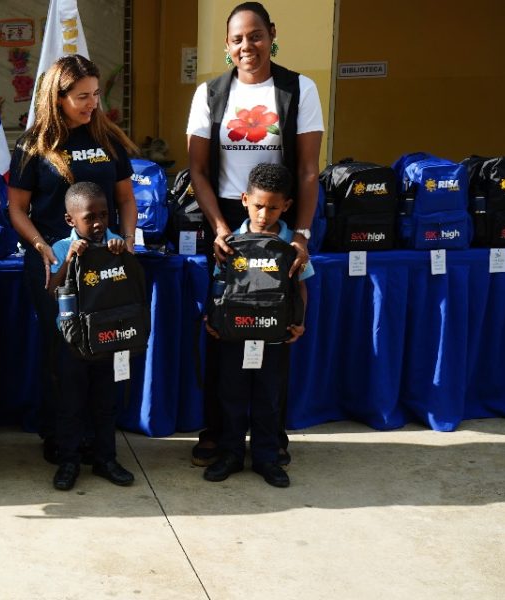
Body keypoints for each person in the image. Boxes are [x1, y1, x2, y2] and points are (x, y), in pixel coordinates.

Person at [185, 1, 324, 467]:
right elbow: (198, 171)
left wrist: (300, 233)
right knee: (225, 327)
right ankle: (219, 434)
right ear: (227, 46)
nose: (248, 45)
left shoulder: (298, 89)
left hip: (278, 219)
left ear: (272, 34)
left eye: (256, 35)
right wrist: (221, 227)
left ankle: (270, 437)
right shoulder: (210, 93)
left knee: (275, 327)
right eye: (238, 38)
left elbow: (307, 171)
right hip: (229, 220)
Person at [7, 54, 138, 464]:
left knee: (102, 350)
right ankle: (61, 438)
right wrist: (41, 247)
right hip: (55, 265)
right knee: (62, 353)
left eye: (96, 95)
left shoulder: (108, 139)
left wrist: (129, 240)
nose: (91, 104)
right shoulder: (33, 146)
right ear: (57, 97)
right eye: (82, 96)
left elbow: (126, 199)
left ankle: (98, 442)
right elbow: (15, 209)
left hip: (106, 262)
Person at [202, 163, 311, 488]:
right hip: (234, 335)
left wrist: (299, 322)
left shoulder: (292, 246)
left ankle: (267, 457)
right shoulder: (230, 242)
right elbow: (219, 282)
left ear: (286, 206)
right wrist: (213, 317)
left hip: (275, 337)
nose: (264, 214)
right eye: (259, 205)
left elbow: (301, 285)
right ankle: (230, 454)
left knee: (268, 399)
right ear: (245, 199)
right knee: (231, 396)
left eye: (273, 207)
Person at [45, 182, 137, 491]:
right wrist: (70, 258)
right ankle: (69, 461)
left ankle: (106, 459)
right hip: (72, 342)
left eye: (104, 215)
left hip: (108, 338)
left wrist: (122, 253)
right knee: (70, 404)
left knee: (105, 403)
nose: (98, 223)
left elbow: (131, 288)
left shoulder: (115, 243)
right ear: (71, 220)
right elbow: (51, 290)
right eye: (90, 217)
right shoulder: (60, 247)